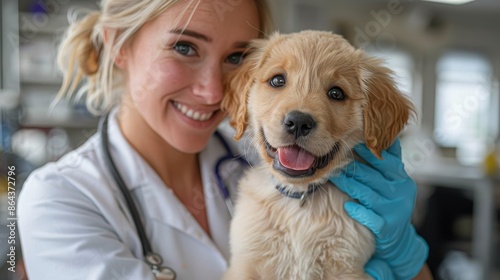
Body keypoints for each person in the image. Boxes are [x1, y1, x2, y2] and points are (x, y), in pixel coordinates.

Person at [18, 0, 432, 279]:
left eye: (237, 59)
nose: (216, 91)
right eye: (184, 47)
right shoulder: (58, 199)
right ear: (117, 45)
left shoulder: (265, 156)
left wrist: (409, 258)